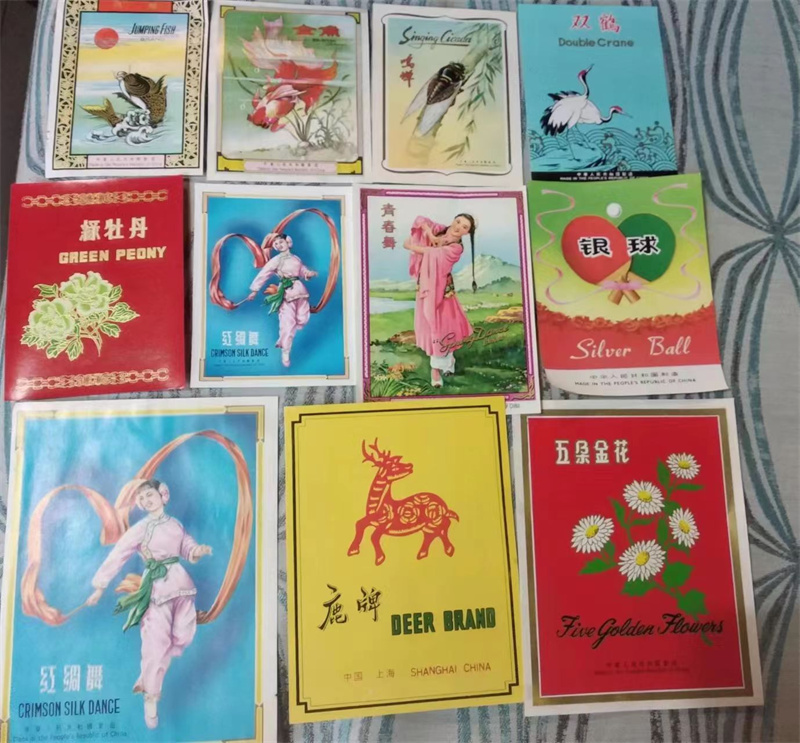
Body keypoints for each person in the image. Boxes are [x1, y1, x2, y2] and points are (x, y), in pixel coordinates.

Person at [86, 479, 212, 730]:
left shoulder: (175, 524)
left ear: (163, 495)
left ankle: (150, 672)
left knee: (183, 636)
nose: (146, 500)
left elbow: (187, 547)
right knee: (155, 644)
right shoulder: (141, 529)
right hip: (155, 590)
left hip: (181, 586)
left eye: (149, 495)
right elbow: (119, 553)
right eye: (141, 498)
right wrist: (100, 586)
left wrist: (198, 550)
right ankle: (151, 696)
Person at [404, 214, 475, 387]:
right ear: (453, 220)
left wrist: (410, 246)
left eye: (465, 227)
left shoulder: (456, 248)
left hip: (441, 290)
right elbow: (420, 220)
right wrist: (430, 234)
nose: (458, 227)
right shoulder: (440, 230)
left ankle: (437, 368)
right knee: (432, 326)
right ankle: (442, 366)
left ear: (467, 233)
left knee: (443, 327)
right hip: (427, 285)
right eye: (458, 221)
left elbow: (432, 253)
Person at [247, 232, 318, 367]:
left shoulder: (296, 258)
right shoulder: (277, 260)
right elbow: (264, 273)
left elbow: (302, 271)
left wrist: (309, 273)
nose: (279, 245)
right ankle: (285, 350)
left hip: (300, 292)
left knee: (302, 319)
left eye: (281, 242)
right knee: (288, 324)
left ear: (288, 242)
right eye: (276, 244)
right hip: (286, 294)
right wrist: (254, 290)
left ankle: (287, 334)